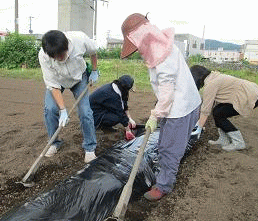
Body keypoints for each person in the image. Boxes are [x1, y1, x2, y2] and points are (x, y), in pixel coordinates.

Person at [120, 13, 202, 201]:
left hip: (180, 109)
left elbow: (167, 90)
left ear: (142, 38)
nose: (138, 51)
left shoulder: (162, 55)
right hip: (183, 103)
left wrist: (155, 115)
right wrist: (159, 108)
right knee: (166, 143)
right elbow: (168, 88)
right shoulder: (163, 47)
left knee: (170, 148)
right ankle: (164, 168)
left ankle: (164, 186)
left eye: (137, 45)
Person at [38, 30, 99, 163]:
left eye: (61, 54)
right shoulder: (44, 56)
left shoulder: (79, 39)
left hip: (79, 79)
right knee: (50, 110)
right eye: (55, 56)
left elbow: (93, 52)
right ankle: (54, 143)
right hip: (58, 81)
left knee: (85, 112)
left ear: (66, 47)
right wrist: (63, 110)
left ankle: (89, 147)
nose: (59, 58)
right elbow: (52, 85)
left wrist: (94, 70)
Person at [190, 65, 258, 151]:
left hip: (249, 95)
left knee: (219, 114)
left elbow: (205, 110)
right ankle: (224, 140)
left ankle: (239, 142)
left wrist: (198, 128)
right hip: (250, 91)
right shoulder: (212, 77)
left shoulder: (210, 84)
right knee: (217, 111)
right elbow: (211, 104)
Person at [89, 75, 136, 140]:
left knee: (120, 117)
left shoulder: (117, 88)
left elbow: (124, 103)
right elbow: (120, 113)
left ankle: (104, 124)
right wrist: (128, 130)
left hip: (102, 108)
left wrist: (130, 118)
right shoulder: (112, 95)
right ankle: (100, 125)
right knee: (117, 118)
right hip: (93, 113)